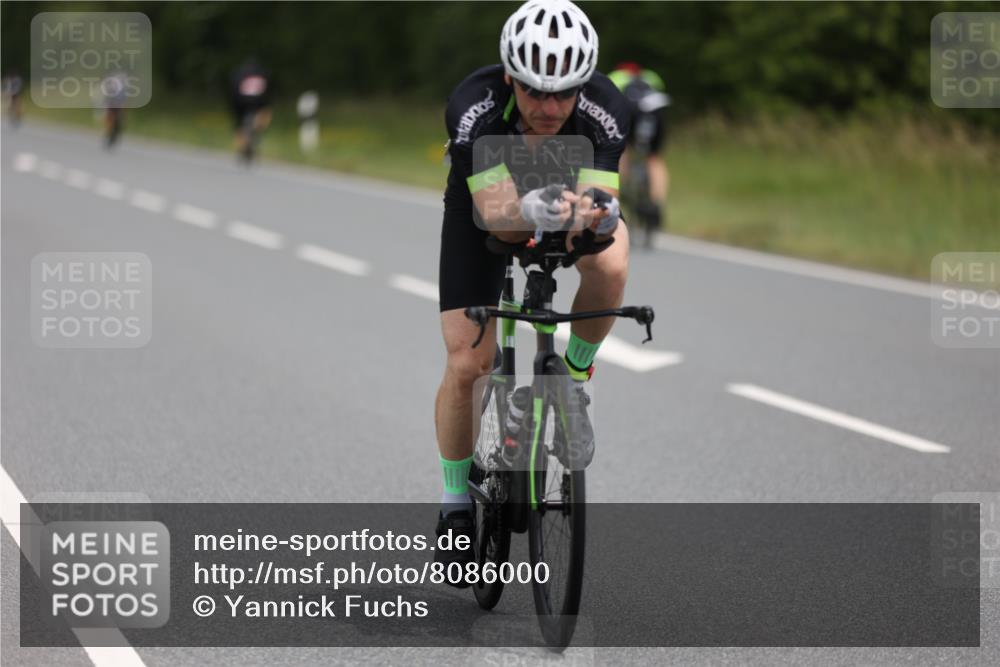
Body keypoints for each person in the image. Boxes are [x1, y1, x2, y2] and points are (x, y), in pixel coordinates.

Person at [435, 0, 630, 579]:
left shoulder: (607, 109)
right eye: (534, 93)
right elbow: (497, 218)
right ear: (508, 79)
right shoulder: (472, 108)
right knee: (468, 364)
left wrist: (590, 218)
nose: (549, 108)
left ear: (583, 86)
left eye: (564, 94)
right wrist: (531, 208)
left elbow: (600, 207)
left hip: (565, 196)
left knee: (614, 264)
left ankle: (572, 381)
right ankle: (452, 505)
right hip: (482, 210)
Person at [608, 62, 671, 235]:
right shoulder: (651, 76)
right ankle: (657, 202)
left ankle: (622, 186)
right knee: (654, 158)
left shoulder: (616, 77)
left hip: (630, 111)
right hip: (656, 112)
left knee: (621, 150)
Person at [229, 57, 272, 162]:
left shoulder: (239, 73)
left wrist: (234, 106)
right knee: (264, 114)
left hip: (240, 101)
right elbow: (268, 90)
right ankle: (257, 129)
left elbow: (233, 88)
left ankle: (241, 147)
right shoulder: (263, 73)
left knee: (239, 125)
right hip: (258, 101)